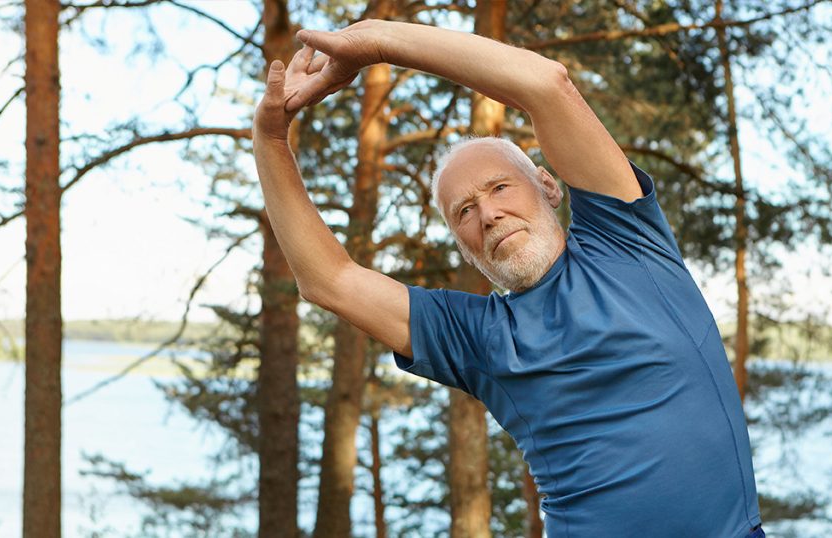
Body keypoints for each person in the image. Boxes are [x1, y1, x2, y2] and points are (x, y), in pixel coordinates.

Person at [253, 18, 764, 538]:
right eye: (464, 212)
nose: (488, 214)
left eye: (500, 187)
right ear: (464, 246)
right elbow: (328, 279)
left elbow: (544, 83)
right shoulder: (476, 336)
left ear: (548, 186)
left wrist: (376, 42)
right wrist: (269, 138)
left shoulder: (626, 241)